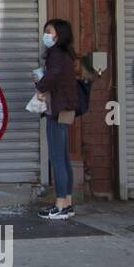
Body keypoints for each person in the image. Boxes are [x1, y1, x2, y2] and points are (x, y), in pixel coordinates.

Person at [33, 18, 79, 219]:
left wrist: (40, 85)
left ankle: (60, 205)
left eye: (49, 32)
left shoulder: (56, 55)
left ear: (59, 35)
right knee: (64, 157)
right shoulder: (66, 54)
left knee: (57, 158)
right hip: (66, 109)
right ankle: (67, 202)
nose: (46, 35)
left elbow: (53, 75)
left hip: (58, 109)